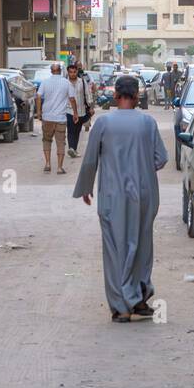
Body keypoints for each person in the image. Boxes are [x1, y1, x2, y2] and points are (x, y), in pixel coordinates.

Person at [73, 75, 168, 322]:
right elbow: (161, 158)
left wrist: (86, 187)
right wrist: (140, 168)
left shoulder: (103, 123)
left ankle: (121, 307)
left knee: (115, 248)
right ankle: (138, 298)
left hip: (113, 195)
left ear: (115, 96)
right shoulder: (148, 122)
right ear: (137, 96)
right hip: (144, 194)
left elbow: (91, 159)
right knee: (141, 246)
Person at [36, 61, 77, 174]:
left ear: (51, 71)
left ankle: (48, 163)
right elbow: (72, 99)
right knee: (61, 143)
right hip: (60, 119)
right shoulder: (67, 83)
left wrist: (39, 112)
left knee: (46, 140)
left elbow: (38, 97)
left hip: (47, 117)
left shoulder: (45, 82)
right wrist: (75, 113)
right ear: (60, 71)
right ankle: (59, 167)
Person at [65, 63, 93, 158]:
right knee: (71, 130)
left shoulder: (82, 82)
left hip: (81, 110)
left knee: (77, 131)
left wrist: (91, 106)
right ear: (68, 73)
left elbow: (88, 94)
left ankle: (74, 149)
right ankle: (71, 148)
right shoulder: (65, 82)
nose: (72, 74)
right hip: (69, 111)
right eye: (70, 72)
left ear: (77, 72)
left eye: (74, 72)